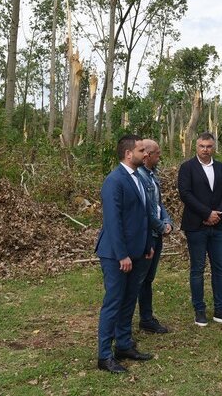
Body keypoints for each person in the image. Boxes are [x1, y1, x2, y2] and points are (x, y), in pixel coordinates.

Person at [95, 135, 155, 374]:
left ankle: (124, 345)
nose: (146, 154)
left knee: (129, 300)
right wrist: (122, 255)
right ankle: (104, 356)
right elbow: (113, 221)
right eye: (142, 150)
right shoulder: (114, 181)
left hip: (137, 252)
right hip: (116, 255)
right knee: (113, 302)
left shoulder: (138, 178)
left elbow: (143, 215)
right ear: (129, 154)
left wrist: (147, 244)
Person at [177, 132, 222, 326]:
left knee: (219, 268)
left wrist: (217, 213)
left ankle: (220, 310)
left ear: (214, 147)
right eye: (202, 146)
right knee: (197, 269)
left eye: (209, 146)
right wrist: (206, 214)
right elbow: (185, 194)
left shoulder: (220, 168)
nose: (205, 150)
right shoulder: (187, 168)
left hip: (217, 226)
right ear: (196, 147)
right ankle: (199, 310)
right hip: (196, 226)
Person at [136, 139, 174, 334]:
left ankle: (146, 318)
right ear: (147, 156)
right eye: (157, 154)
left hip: (156, 233)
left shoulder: (153, 175)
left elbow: (158, 205)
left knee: (148, 279)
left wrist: (168, 222)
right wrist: (161, 226)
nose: (160, 157)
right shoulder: (140, 177)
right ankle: (138, 319)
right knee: (140, 279)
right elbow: (145, 210)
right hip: (147, 235)